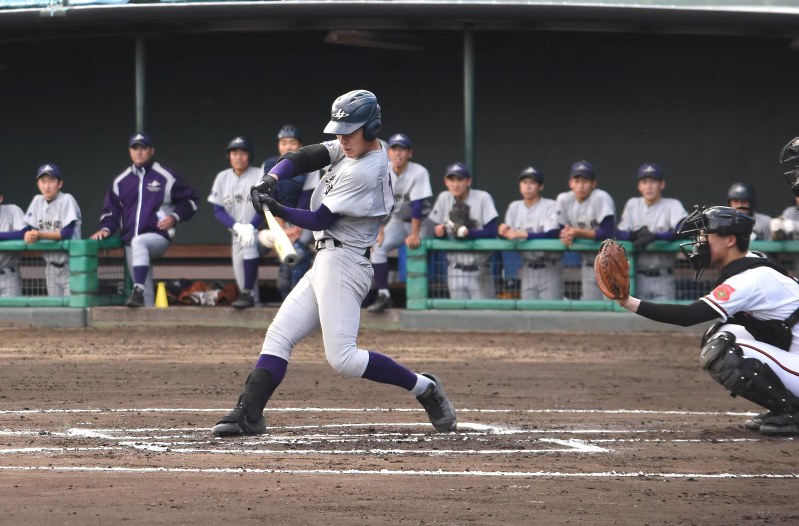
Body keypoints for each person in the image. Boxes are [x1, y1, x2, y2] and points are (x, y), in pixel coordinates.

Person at [211, 89, 456, 437]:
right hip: (326, 259)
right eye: (339, 131)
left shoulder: (366, 170)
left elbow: (319, 218)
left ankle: (425, 388)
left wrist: (276, 208)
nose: (341, 138)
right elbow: (308, 155)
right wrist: (271, 180)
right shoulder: (356, 145)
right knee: (279, 334)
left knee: (344, 358)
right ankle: (247, 412)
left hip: (345, 262)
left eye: (350, 131)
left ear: (370, 129)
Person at [615, 205, 799, 436]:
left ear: (730, 240)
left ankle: (791, 412)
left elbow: (687, 316)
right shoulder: (752, 262)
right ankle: (782, 407)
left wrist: (628, 302)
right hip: (793, 353)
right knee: (722, 331)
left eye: (707, 235)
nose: (700, 241)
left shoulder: (749, 279)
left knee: (721, 350)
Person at [90, 133, 199, 307]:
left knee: (139, 250)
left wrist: (174, 217)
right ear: (130, 152)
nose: (139, 152)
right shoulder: (121, 181)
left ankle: (138, 289)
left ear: (152, 151)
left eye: (143, 148)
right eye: (135, 148)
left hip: (157, 237)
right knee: (145, 296)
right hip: (130, 243)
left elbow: (191, 201)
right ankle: (150, 329)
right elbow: (111, 213)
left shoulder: (165, 175)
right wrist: (106, 229)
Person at [368, 132, 435, 313]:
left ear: (409, 153)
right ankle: (384, 295)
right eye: (394, 149)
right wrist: (380, 229)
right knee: (378, 248)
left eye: (402, 149)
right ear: (388, 153)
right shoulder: (383, 171)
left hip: (422, 221)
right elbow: (379, 202)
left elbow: (417, 205)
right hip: (397, 220)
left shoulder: (419, 171)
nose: (398, 154)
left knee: (418, 250)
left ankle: (424, 298)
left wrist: (415, 234)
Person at [616, 163, 688, 301]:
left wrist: (656, 236)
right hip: (638, 277)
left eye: (653, 181)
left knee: (666, 320)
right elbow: (619, 232)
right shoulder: (633, 204)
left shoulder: (672, 205)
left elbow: (684, 229)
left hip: (664, 277)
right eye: (644, 182)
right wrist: (634, 235)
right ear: (639, 186)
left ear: (662, 184)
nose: (649, 186)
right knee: (639, 321)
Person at [428, 162, 500, 300]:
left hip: (479, 268)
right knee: (459, 315)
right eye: (452, 179)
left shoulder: (483, 197)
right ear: (446, 182)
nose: (456, 184)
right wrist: (440, 233)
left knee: (484, 314)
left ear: (468, 181)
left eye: (460, 179)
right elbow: (436, 231)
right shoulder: (444, 198)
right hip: (455, 269)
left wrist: (469, 233)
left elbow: (492, 231)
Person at [208, 136, 264, 309]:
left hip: (260, 233)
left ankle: (248, 294)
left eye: (243, 152)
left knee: (249, 244)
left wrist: (251, 227)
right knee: (244, 284)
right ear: (229, 156)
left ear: (250, 155)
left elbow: (264, 207)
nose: (239, 157)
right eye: (234, 153)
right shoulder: (222, 177)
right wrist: (237, 227)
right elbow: (218, 210)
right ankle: (255, 307)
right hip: (236, 234)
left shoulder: (259, 174)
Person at [260, 124, 314, 299]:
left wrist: (296, 227)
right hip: (276, 221)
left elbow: (305, 201)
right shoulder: (269, 165)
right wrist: (283, 229)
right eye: (284, 143)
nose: (288, 146)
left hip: (305, 220)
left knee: (298, 251)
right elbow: (269, 199)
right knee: (287, 247)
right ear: (278, 145)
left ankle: (296, 297)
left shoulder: (310, 164)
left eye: (292, 142)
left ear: (300, 145)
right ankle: (287, 296)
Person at [498, 166, 561, 300]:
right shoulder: (514, 207)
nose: (528, 186)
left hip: (549, 266)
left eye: (532, 183)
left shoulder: (551, 205)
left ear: (541, 187)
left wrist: (525, 234)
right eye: (525, 183)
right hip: (527, 267)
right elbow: (509, 234)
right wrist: (502, 232)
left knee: (552, 312)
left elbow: (553, 233)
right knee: (529, 313)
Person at [556, 161, 616, 300]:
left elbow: (607, 232)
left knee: (613, 309)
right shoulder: (564, 199)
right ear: (571, 183)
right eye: (577, 181)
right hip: (588, 265)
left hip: (611, 264)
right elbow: (560, 229)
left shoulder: (601, 197)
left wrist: (577, 232)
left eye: (585, 181)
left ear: (593, 183)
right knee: (592, 311)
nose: (581, 186)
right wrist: (566, 235)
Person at [24, 163, 82, 297]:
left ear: (60, 183)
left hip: (71, 265)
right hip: (50, 267)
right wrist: (28, 234)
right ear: (38, 184)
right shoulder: (37, 201)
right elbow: (28, 228)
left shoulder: (67, 199)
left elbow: (67, 233)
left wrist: (39, 234)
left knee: (72, 311)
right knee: (55, 311)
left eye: (51, 181)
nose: (47, 186)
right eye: (43, 181)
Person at [0, 187, 30, 297]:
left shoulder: (12, 210)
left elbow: (25, 233)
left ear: (1, 198)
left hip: (9, 275)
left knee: (12, 313)